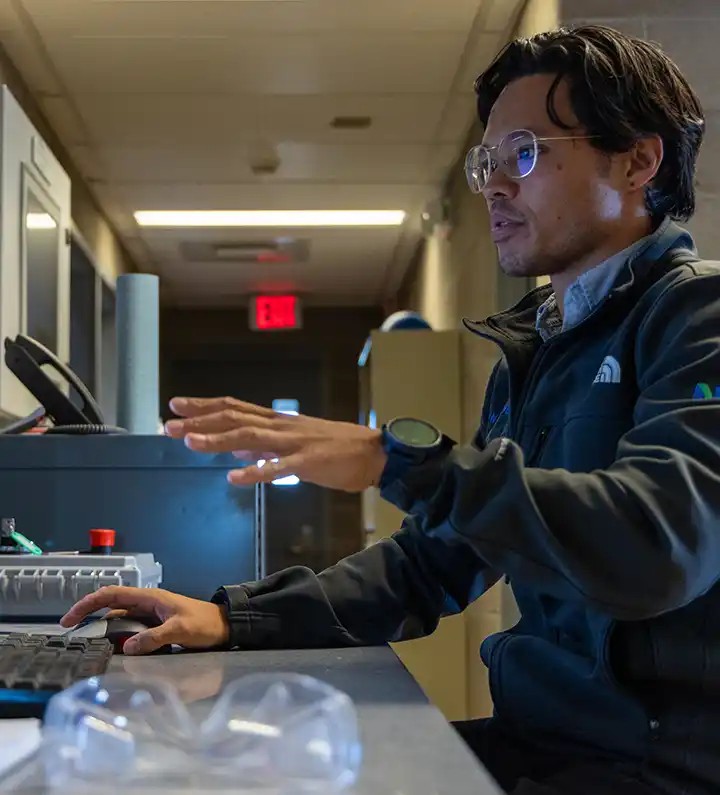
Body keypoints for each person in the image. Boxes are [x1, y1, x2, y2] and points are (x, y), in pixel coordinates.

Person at [61, 25, 720, 795]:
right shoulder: (542, 348)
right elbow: (433, 562)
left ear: (639, 160)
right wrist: (233, 617)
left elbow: (659, 544)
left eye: (525, 153)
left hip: (652, 769)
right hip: (542, 742)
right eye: (488, 162)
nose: (494, 186)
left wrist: (397, 458)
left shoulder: (695, 314)